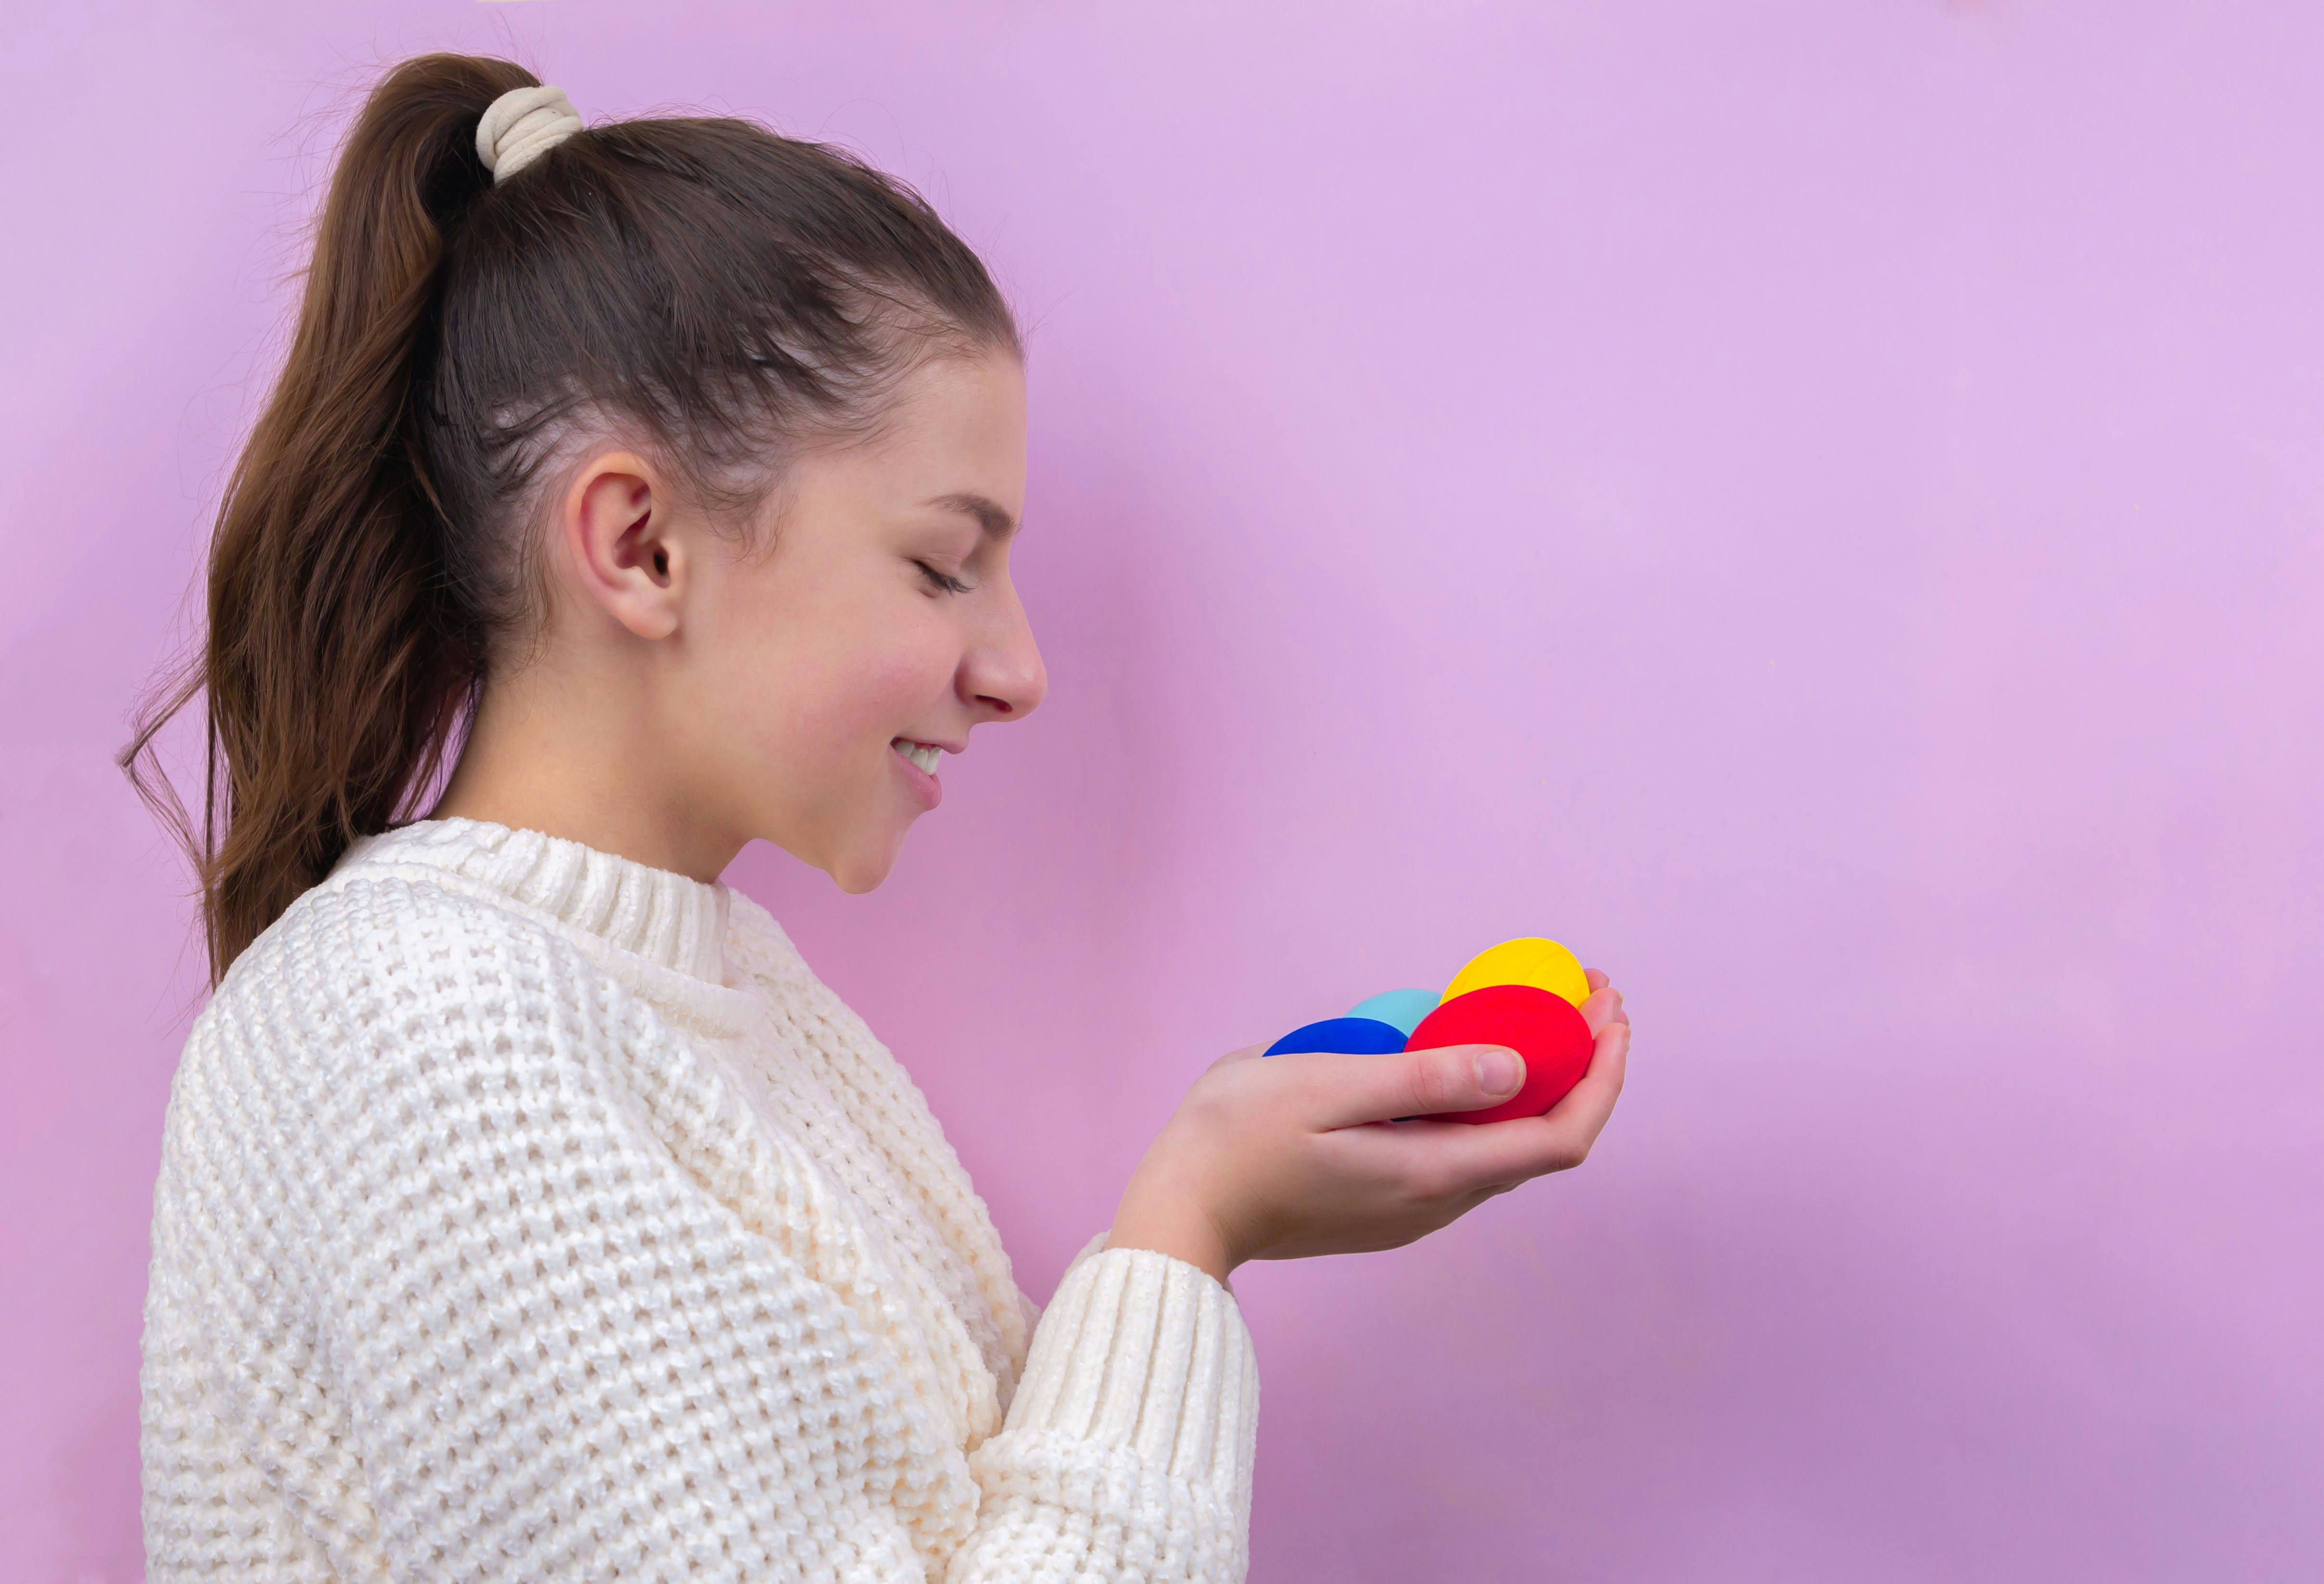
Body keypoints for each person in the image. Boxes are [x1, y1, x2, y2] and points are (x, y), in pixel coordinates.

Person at [126, 53, 1630, 1583]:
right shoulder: (431, 1030)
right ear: (640, 545)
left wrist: (1207, 1209)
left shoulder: (720, 994)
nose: (1021, 671)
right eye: (939, 564)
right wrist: (1186, 1230)